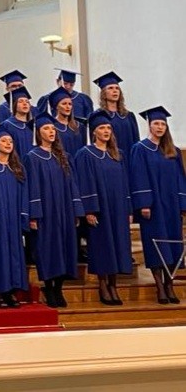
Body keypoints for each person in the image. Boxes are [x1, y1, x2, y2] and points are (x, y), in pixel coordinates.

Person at [24, 112, 84, 308]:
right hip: (46, 212)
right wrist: (34, 214)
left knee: (65, 247)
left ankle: (59, 287)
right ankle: (48, 287)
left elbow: (73, 184)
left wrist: (76, 210)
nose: (51, 131)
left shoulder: (64, 156)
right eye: (46, 128)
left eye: (52, 128)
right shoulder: (32, 157)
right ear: (38, 132)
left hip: (65, 209)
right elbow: (31, 186)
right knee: (48, 248)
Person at [75, 111, 132, 306]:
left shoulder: (118, 154)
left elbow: (125, 182)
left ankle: (113, 284)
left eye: (108, 128)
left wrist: (128, 209)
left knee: (118, 244)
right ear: (94, 131)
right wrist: (89, 210)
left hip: (118, 207)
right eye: (102, 128)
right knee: (102, 245)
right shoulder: (86, 154)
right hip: (100, 209)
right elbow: (84, 182)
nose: (106, 131)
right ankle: (103, 285)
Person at [130, 106, 186, 305]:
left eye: (163, 124)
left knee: (173, 244)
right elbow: (138, 177)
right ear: (149, 125)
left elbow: (180, 179)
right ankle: (159, 286)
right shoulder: (140, 149)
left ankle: (170, 284)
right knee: (156, 244)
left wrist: (182, 204)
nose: (160, 127)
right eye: (156, 123)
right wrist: (144, 203)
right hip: (153, 207)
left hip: (171, 206)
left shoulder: (173, 151)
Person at [0, 125, 30, 308]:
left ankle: (12, 291)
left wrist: (23, 216)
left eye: (10, 141)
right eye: (4, 141)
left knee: (15, 255)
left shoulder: (17, 169)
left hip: (14, 220)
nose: (8, 144)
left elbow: (24, 195)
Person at [93, 71, 140, 154]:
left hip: (129, 157)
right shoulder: (98, 116)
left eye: (117, 88)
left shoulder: (129, 116)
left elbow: (136, 140)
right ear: (104, 93)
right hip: (109, 157)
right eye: (110, 88)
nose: (115, 91)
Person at [48, 86, 87, 158]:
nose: (68, 107)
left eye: (70, 104)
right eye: (64, 104)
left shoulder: (79, 126)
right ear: (56, 106)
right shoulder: (52, 127)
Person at [0, 86, 35, 159]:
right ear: (14, 105)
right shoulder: (7, 125)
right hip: (15, 162)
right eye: (20, 101)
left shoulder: (34, 125)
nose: (25, 104)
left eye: (27, 102)